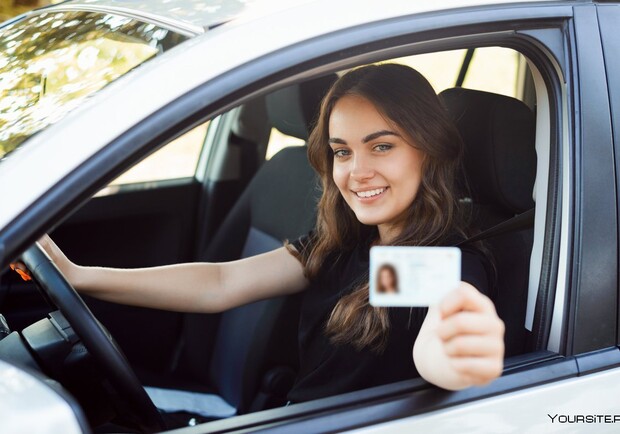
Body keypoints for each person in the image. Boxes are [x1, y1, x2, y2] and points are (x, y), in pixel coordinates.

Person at [12, 64, 505, 402]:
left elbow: (440, 346)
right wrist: (79, 276)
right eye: (341, 151)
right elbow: (221, 284)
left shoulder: (440, 262)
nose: (356, 173)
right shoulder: (352, 243)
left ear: (429, 148)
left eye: (381, 147)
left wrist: (458, 358)